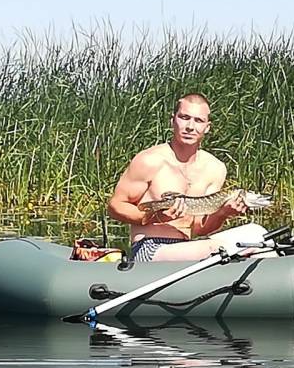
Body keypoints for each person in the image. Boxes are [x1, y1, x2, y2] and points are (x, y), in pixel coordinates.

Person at [108, 92, 268, 262]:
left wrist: (222, 213)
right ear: (173, 120)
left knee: (258, 233)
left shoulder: (215, 168)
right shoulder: (149, 160)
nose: (190, 126)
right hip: (149, 247)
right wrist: (157, 217)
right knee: (215, 248)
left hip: (187, 245)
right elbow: (115, 206)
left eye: (198, 120)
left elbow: (200, 228)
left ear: (207, 127)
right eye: (184, 117)